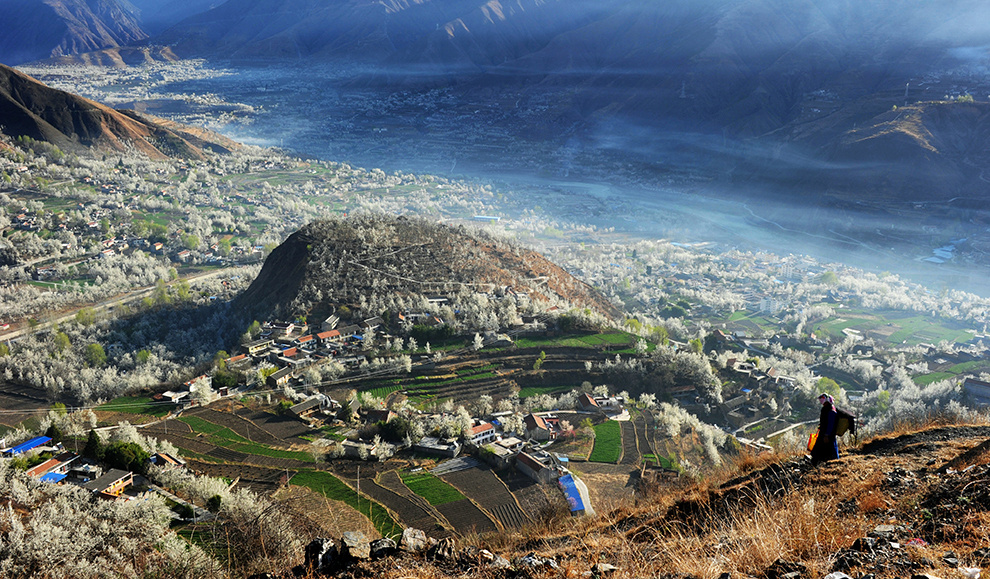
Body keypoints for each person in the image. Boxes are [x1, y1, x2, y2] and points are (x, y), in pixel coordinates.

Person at [811, 393, 840, 465]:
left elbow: (830, 424)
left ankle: (832, 463)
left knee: (829, 450)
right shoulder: (826, 409)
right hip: (824, 433)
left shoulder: (830, 411)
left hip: (827, 435)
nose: (821, 401)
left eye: (822, 399)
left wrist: (827, 435)